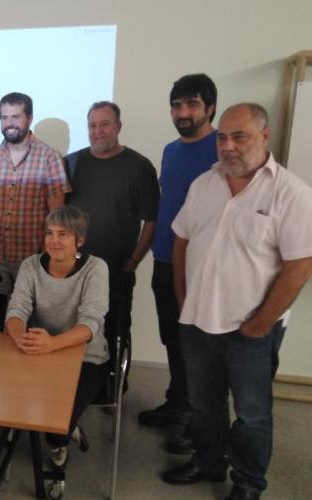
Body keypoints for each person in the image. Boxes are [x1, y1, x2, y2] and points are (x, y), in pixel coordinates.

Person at [162, 103, 312, 500]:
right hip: (198, 320)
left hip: (250, 329)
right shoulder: (204, 183)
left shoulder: (292, 193)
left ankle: (247, 482)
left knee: (251, 414)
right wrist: (182, 296)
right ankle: (208, 461)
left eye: (239, 136)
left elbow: (300, 264)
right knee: (203, 403)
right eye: (222, 138)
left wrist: (261, 324)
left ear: (264, 136)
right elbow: (182, 239)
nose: (228, 146)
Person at [139, 75, 218, 456]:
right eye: (177, 105)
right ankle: (177, 402)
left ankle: (193, 419)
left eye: (192, 104)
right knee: (172, 337)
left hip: (202, 265)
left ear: (210, 108)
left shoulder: (221, 149)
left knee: (198, 345)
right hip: (165, 258)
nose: (183, 113)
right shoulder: (171, 150)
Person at [65, 101, 159, 395]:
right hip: (73, 268)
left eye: (104, 124)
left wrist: (133, 261)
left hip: (117, 269)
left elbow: (152, 220)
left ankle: (113, 391)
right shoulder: (71, 163)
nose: (98, 131)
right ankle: (75, 386)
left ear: (118, 126)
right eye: (92, 125)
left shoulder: (139, 166)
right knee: (73, 328)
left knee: (115, 329)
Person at [5, 205, 109, 469]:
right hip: (37, 350)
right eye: (49, 233)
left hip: (86, 356)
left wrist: (52, 344)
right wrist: (19, 337)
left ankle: (59, 443)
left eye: (63, 234)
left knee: (56, 425)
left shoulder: (96, 268)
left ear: (79, 240)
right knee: (11, 405)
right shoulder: (30, 265)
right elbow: (17, 308)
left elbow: (91, 322)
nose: (54, 240)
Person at [0, 92, 69, 314]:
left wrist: (48, 255)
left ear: (29, 118)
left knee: (28, 317)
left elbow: (57, 215)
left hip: (31, 257)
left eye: (16, 117)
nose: (9, 123)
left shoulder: (50, 157)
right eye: (4, 117)